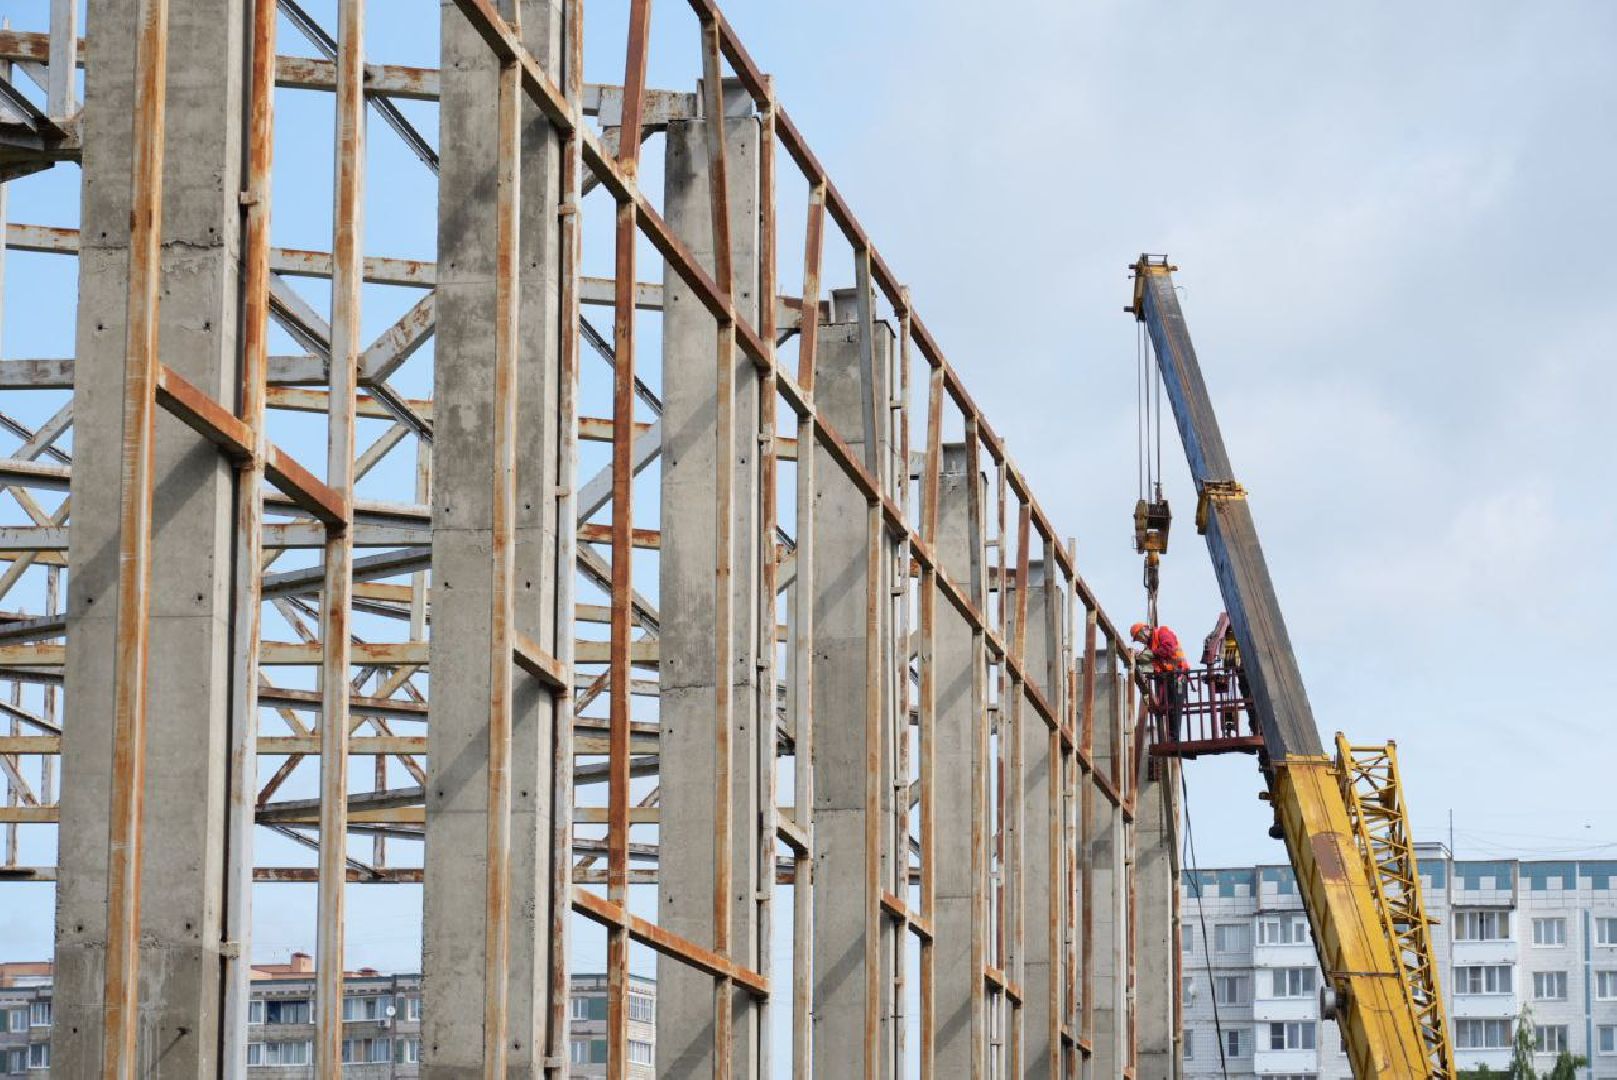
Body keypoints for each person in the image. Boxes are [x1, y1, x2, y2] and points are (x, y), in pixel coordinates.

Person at [1130, 621, 1189, 738]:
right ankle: (1172, 738)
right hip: (1167, 678)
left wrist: (1147, 654)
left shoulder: (1162, 632)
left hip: (1179, 677)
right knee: (1167, 708)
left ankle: (1174, 739)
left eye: (1139, 637)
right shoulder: (1151, 646)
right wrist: (1141, 657)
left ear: (1145, 630)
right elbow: (1153, 664)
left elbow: (1168, 649)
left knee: (1175, 707)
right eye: (1138, 640)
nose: (1141, 641)